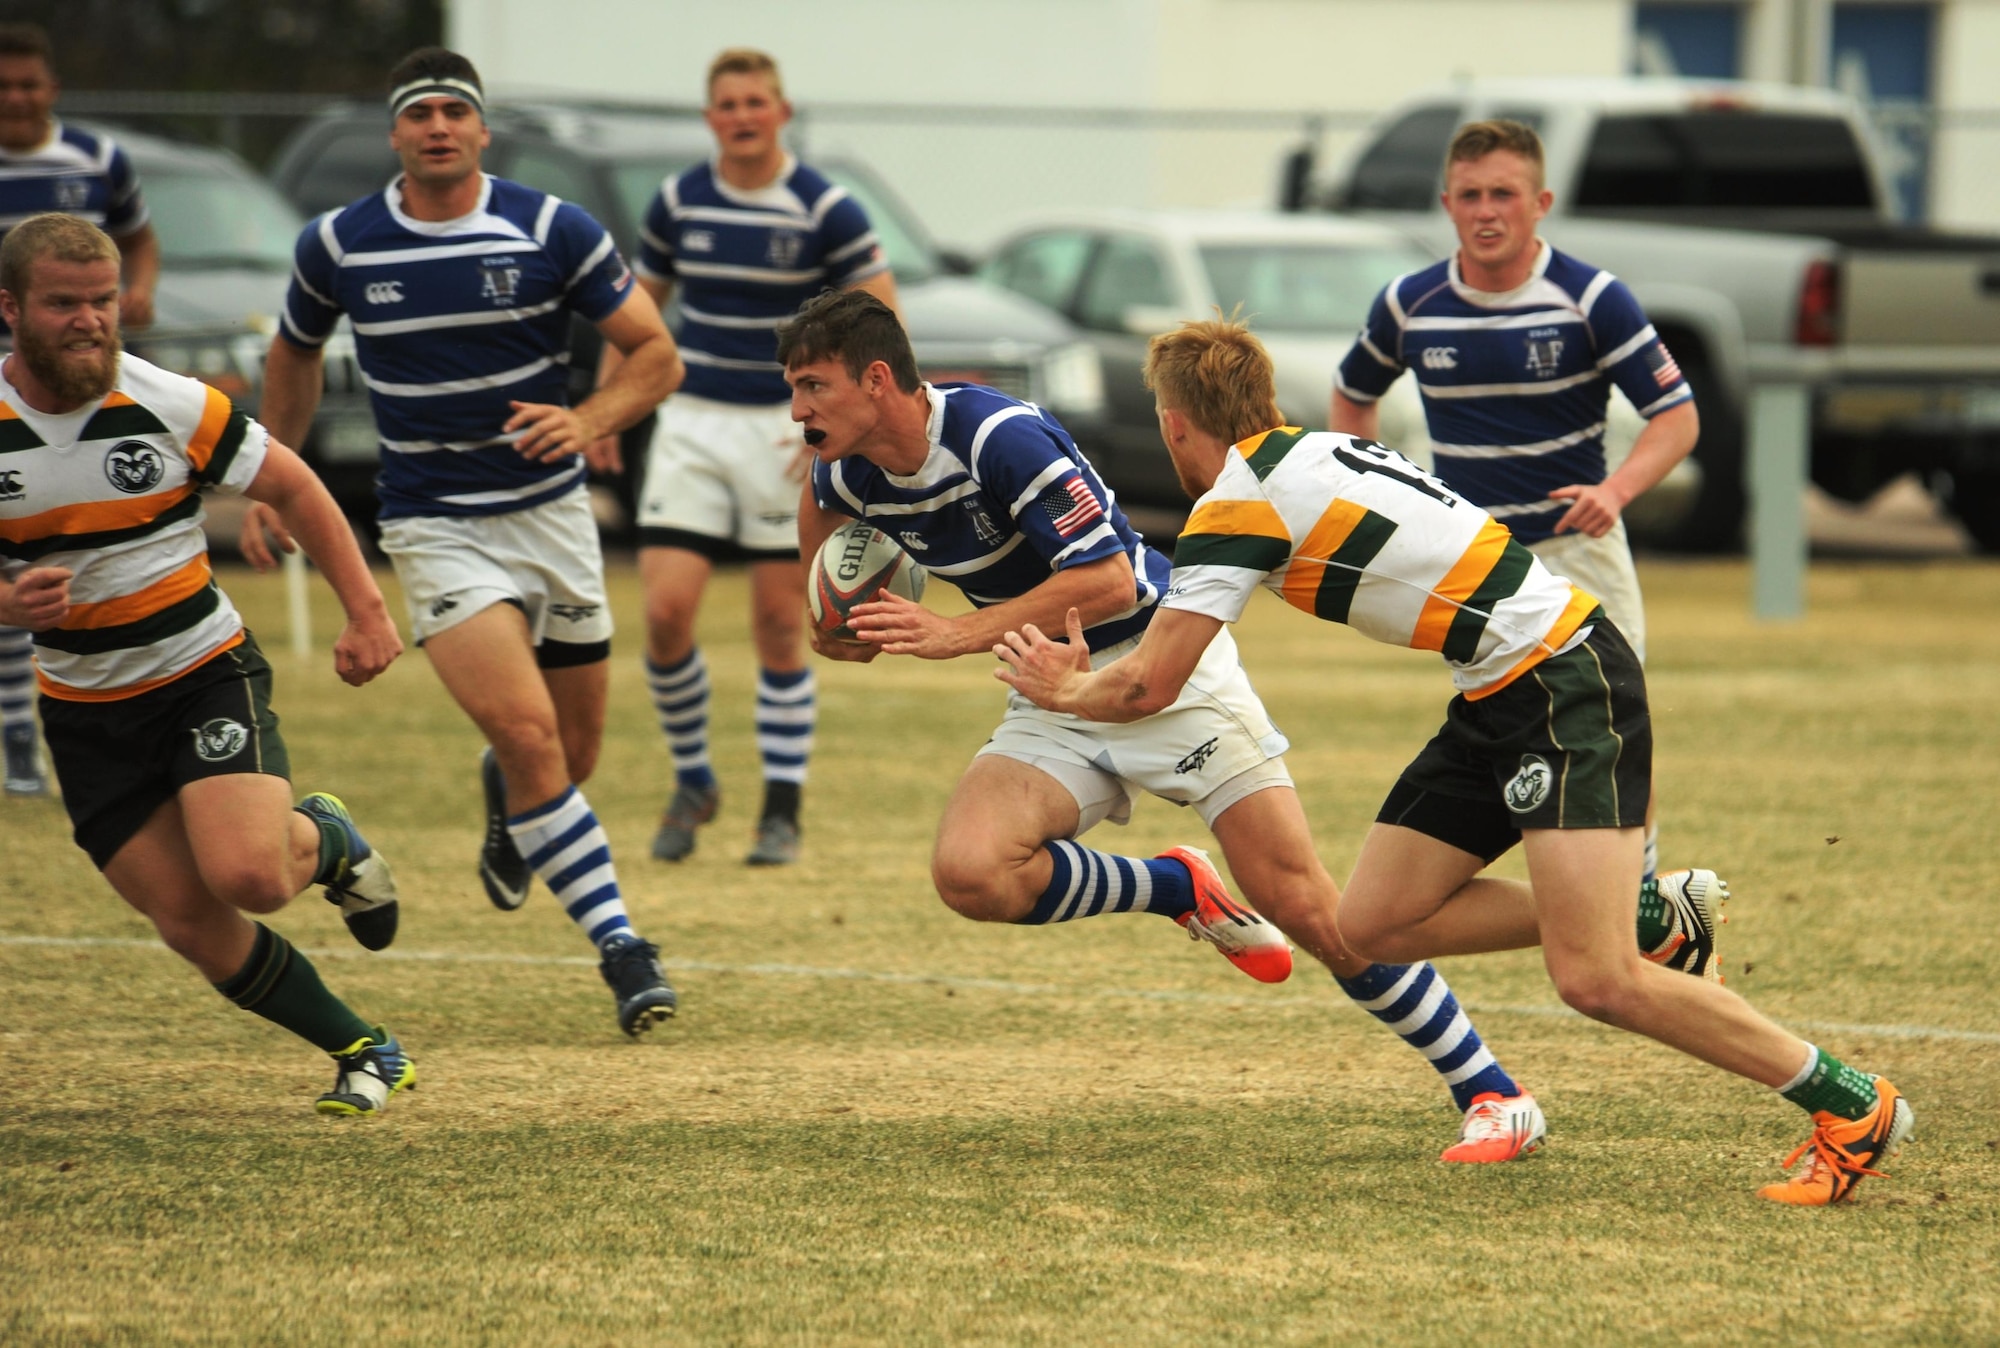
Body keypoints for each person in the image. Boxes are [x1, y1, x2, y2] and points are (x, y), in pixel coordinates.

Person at [997, 316, 1911, 1204]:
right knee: (1373, 925)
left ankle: (1851, 1104)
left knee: (1594, 980)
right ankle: (1645, 916)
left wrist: (1063, 687)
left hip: (1562, 681)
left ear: (1174, 422)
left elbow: (1148, 684)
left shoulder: (1238, 500)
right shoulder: (1312, 453)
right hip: (1499, 690)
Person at [782, 287, 1556, 1164]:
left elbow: (1110, 580)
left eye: (812, 387)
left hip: (1161, 663)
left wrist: (953, 634)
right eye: (794, 389)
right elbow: (819, 539)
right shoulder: (841, 469)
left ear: (876, 380)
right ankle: (1174, 888)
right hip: (1050, 683)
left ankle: (1494, 1092)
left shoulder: (1000, 438)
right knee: (972, 873)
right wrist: (835, 617)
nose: (799, 409)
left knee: (1309, 905)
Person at [237, 47, 685, 1037]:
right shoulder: (338, 244)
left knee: (568, 754)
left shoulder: (549, 226)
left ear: (481, 129)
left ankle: (511, 800)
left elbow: (656, 355)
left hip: (554, 519)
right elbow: (293, 352)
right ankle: (624, 949)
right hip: (435, 523)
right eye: (418, 113)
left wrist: (590, 417)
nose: (437, 126)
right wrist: (271, 472)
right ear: (394, 134)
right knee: (530, 739)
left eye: (454, 111)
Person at [0, 214, 412, 1114]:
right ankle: (365, 1048)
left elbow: (295, 483)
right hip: (81, 708)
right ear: (11, 310)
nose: (90, 321)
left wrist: (368, 609)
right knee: (188, 919)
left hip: (200, 674)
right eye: (63, 303)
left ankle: (327, 838)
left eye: (103, 301)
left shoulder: (170, 402)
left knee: (252, 877)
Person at [1330, 119, 1718, 960]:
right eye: (1469, 195)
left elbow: (1677, 417)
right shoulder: (1410, 303)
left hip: (1578, 557)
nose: (1486, 211)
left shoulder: (1589, 297)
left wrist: (1616, 490)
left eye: (1504, 193)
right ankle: (1646, 921)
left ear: (1540, 203)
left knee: (1616, 731)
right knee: (1502, 722)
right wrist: (1383, 491)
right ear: (1446, 204)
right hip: (1476, 568)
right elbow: (1350, 398)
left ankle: (1643, 915)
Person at [599, 47, 898, 867]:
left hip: (783, 425)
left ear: (781, 112)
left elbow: (878, 320)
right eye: (726, 103)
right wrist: (604, 411)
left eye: (755, 102)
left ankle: (781, 808)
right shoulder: (677, 202)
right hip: (692, 421)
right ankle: (694, 780)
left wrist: (843, 428)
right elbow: (634, 315)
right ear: (710, 118)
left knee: (778, 622)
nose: (741, 115)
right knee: (662, 612)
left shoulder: (825, 207)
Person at [0, 21, 160, 798]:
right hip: (9, 380)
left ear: (51, 88)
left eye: (29, 84)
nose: (18, 98)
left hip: (74, 382)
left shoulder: (97, 160)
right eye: (5, 87)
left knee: (46, 556)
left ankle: (34, 725)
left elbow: (139, 234)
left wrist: (137, 291)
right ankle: (18, 726)